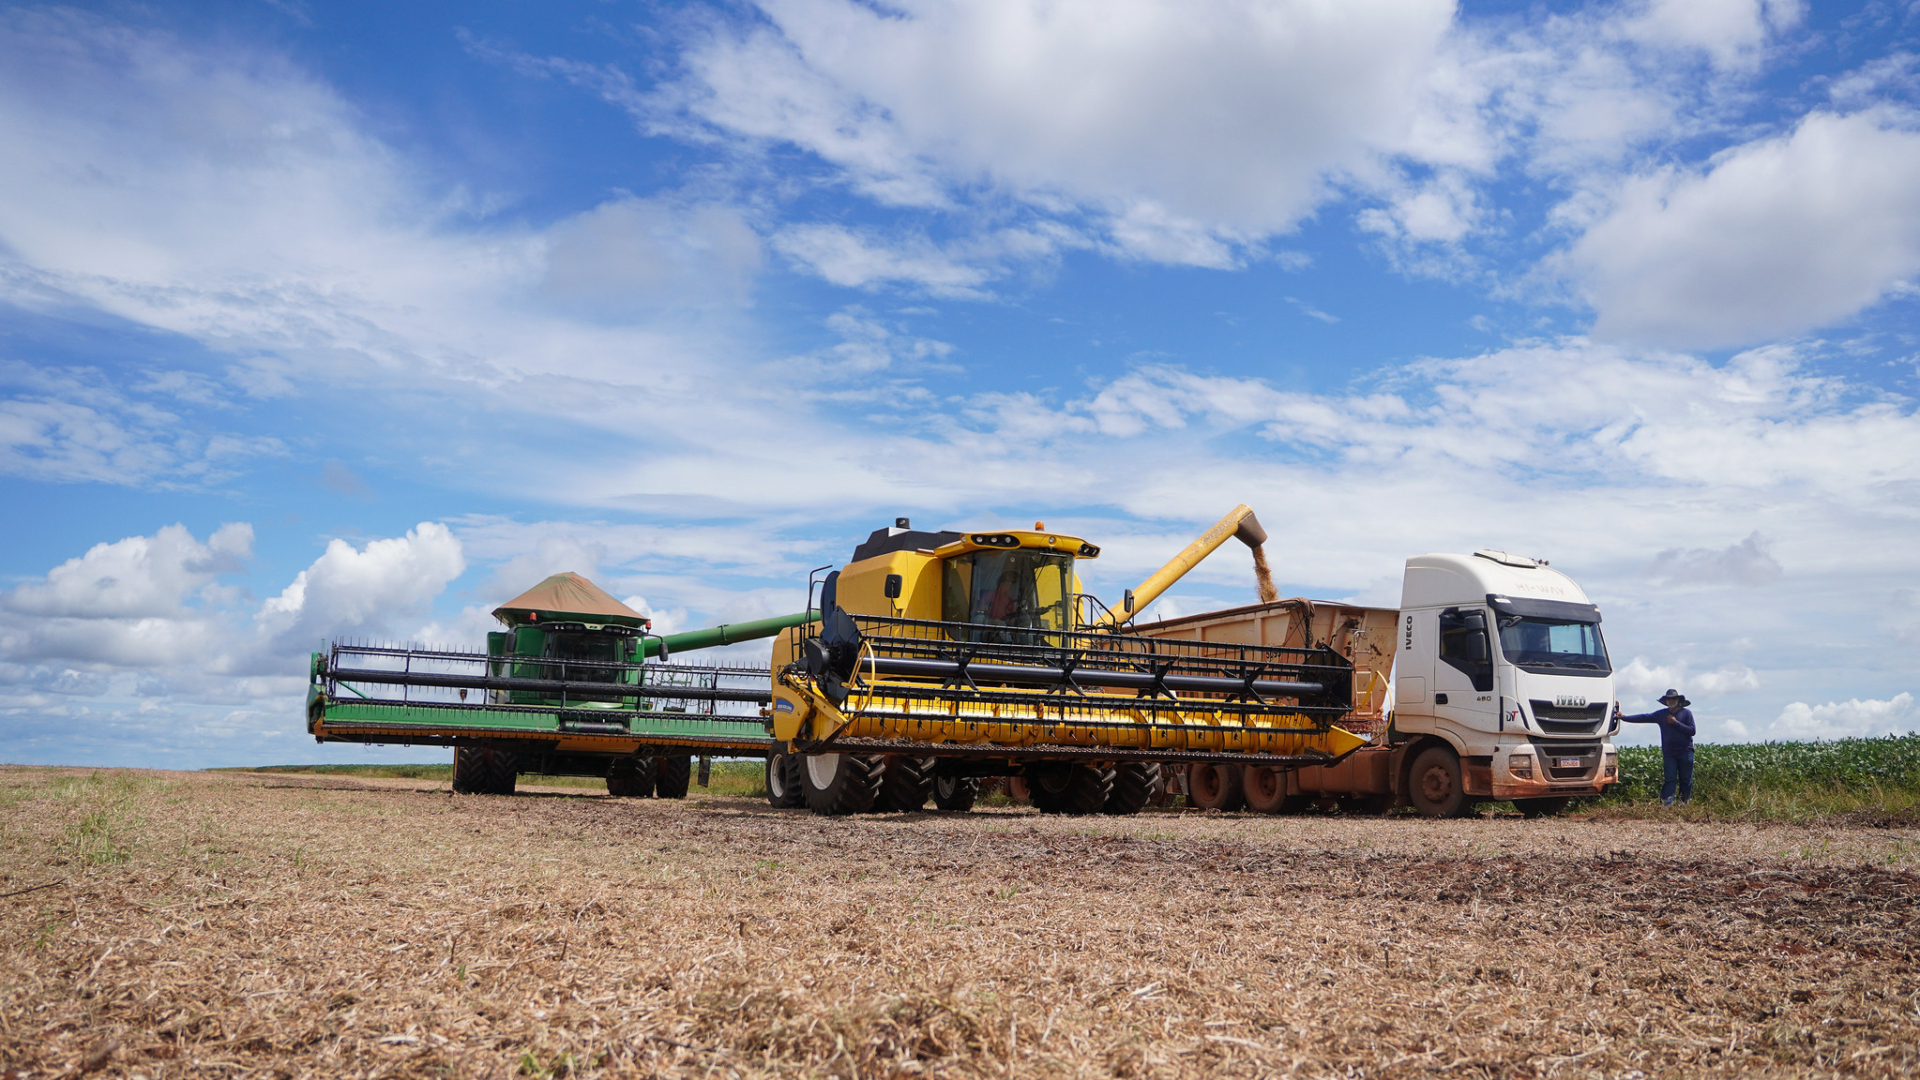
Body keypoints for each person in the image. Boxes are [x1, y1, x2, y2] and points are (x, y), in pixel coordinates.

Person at [1615, 689, 1697, 805]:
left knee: (1686, 779)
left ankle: (1683, 804)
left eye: (1673, 698)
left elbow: (1692, 731)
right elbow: (1644, 717)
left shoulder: (1686, 713)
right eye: (1669, 699)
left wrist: (1676, 723)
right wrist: (1624, 717)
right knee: (1669, 779)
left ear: (1678, 700)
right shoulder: (1661, 714)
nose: (1671, 701)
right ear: (1666, 701)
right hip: (1669, 753)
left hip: (1685, 751)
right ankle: (1666, 805)